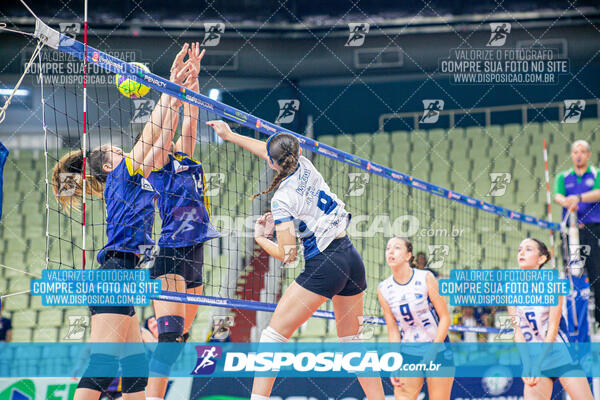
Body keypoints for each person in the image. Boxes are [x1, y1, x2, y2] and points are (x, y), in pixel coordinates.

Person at [52, 46, 193, 400]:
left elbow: (161, 140)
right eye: (118, 151)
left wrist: (178, 96)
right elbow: (151, 132)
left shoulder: (133, 174)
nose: (125, 151)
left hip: (126, 275)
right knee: (102, 369)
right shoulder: (123, 174)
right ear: (110, 167)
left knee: (134, 372)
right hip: (116, 273)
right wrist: (170, 87)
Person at [206, 122, 384, 400]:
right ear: (297, 152)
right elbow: (270, 154)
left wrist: (262, 238)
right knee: (353, 343)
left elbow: (288, 256)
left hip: (325, 264)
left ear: (274, 165)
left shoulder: (282, 199)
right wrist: (230, 136)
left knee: (272, 337)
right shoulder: (305, 165)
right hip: (351, 257)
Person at [144, 43, 219, 400]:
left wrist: (194, 82)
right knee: (170, 341)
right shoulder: (157, 165)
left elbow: (190, 118)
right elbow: (172, 119)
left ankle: (149, 377)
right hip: (172, 253)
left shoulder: (185, 159)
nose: (172, 139)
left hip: (195, 252)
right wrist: (173, 87)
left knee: (182, 339)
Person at [507, 238, 593, 400]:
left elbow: (553, 327)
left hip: (560, 354)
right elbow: (517, 330)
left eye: (528, 249)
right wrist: (527, 364)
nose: (521, 253)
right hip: (534, 358)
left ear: (541, 259)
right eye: (519, 249)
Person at [377, 237, 453, 400]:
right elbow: (393, 329)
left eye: (396, 248)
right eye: (388, 248)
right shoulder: (383, 289)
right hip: (409, 351)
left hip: (438, 349)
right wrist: (395, 361)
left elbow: (445, 318)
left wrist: (431, 352)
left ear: (408, 255)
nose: (390, 251)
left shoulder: (425, 278)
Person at [554, 140, 600, 327]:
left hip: (593, 230)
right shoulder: (563, 177)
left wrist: (578, 198)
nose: (579, 154)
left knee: (597, 274)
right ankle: (573, 322)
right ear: (571, 155)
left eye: (582, 151)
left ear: (588, 154)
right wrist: (567, 202)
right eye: (575, 151)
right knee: (572, 275)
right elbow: (558, 196)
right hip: (571, 232)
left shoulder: (596, 173)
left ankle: (598, 320)